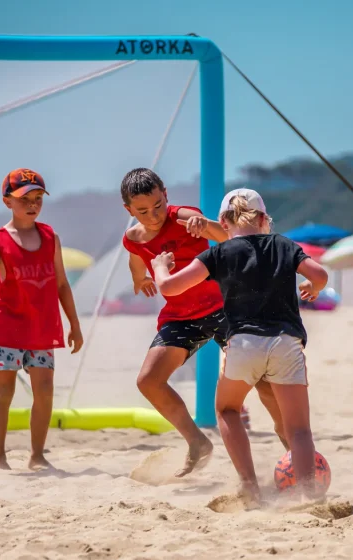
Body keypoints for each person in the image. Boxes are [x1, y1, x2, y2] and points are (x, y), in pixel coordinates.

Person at [151, 188, 329, 507]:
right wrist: (311, 287)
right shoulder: (284, 244)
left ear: (223, 222)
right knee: (299, 429)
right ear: (263, 219)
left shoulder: (219, 253)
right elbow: (320, 274)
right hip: (286, 343)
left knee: (227, 410)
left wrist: (161, 266)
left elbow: (170, 287)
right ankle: (310, 495)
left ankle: (250, 486)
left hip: (244, 343)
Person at [120, 168, 286, 478]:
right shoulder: (132, 238)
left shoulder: (185, 216)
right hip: (182, 316)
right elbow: (135, 257)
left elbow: (233, 239)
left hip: (223, 307)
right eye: (142, 211)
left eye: (158, 205)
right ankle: (197, 441)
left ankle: (290, 441)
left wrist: (205, 225)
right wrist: (140, 278)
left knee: (264, 381)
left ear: (165, 194)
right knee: (148, 381)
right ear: (128, 210)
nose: (153, 215)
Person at [0, 169, 84, 470]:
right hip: (9, 328)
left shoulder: (50, 237)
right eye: (25, 199)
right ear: (7, 201)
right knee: (4, 391)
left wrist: (74, 324)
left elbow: (62, 284)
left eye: (38, 198)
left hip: (42, 328)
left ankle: (37, 455)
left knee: (45, 390)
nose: (33, 204)